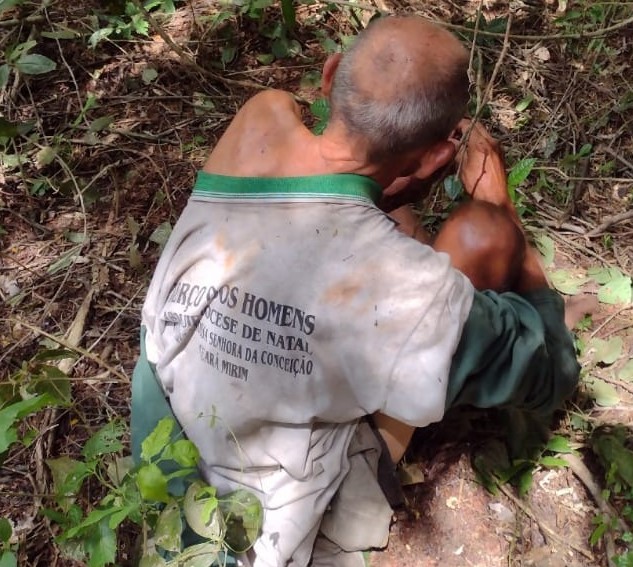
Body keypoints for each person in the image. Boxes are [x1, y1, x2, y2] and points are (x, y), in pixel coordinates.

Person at [131, 15, 586, 567]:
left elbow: (323, 198)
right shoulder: (412, 292)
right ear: (437, 157)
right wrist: (499, 204)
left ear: (329, 77)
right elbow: (553, 372)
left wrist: (392, 186)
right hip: (254, 526)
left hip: (166, 452)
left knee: (406, 229)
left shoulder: (259, 117)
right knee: (479, 233)